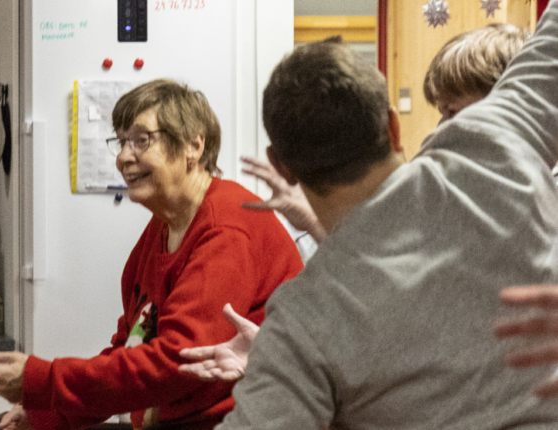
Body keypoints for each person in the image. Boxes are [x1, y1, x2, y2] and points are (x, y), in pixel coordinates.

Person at [213, 11, 558, 425]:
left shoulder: (303, 321)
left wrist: (280, 366)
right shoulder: (498, 138)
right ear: (393, 127)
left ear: (281, 166)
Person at [0, 79, 303, 430]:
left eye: (141, 140)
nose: (122, 157)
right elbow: (132, 349)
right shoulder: (161, 229)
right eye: (121, 141)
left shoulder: (227, 227)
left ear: (193, 145)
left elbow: (177, 362)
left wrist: (42, 381)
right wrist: (49, 414)